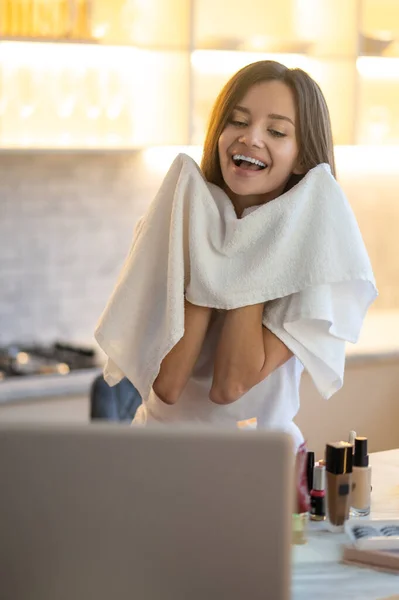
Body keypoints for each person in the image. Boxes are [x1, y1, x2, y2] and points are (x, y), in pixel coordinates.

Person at [95, 60, 377, 450]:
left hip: (257, 462)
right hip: (157, 457)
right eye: (238, 121)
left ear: (300, 157)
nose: (251, 138)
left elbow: (231, 385)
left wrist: (258, 240)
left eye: (276, 131)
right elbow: (169, 384)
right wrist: (214, 243)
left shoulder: (314, 253)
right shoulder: (181, 218)